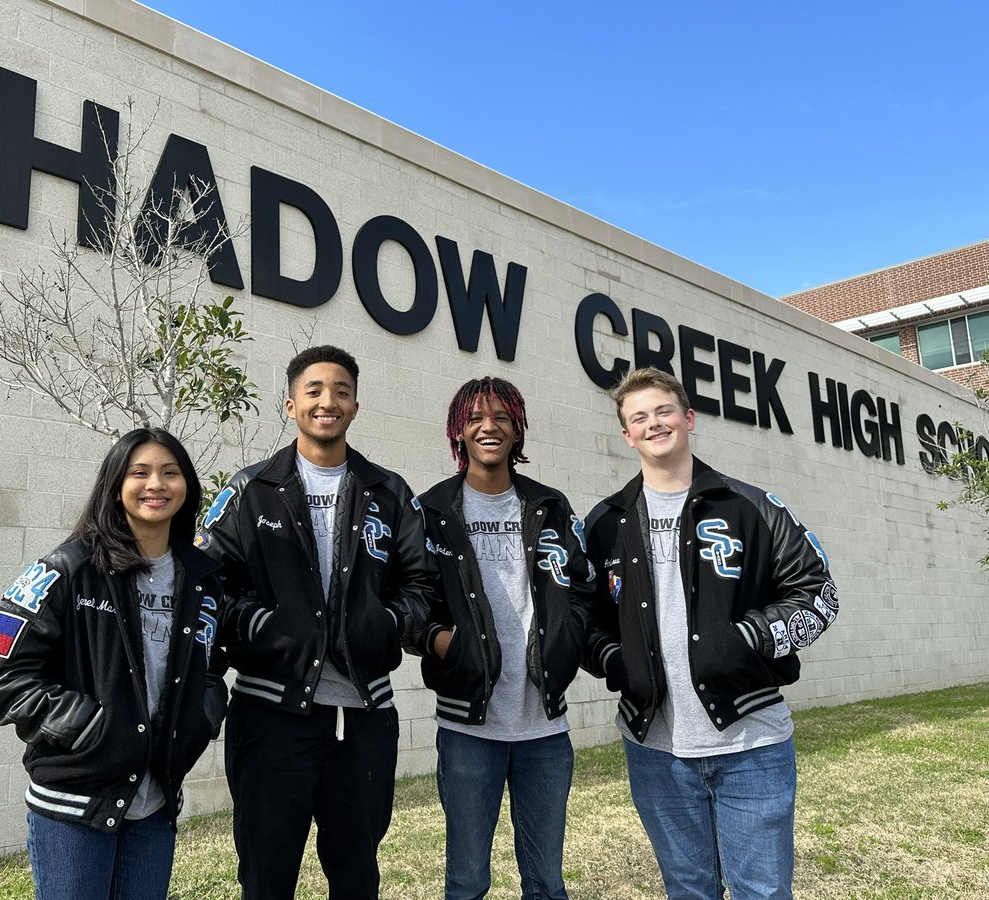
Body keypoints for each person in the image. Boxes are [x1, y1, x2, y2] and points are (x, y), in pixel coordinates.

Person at [580, 368, 839, 900]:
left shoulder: (749, 506)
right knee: (688, 890)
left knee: (761, 891)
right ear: (626, 435)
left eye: (663, 411)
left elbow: (818, 591)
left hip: (751, 741)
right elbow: (580, 615)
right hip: (654, 746)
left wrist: (749, 636)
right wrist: (614, 659)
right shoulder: (606, 521)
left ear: (688, 418)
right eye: (639, 418)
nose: (654, 424)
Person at [197, 344, 433, 900]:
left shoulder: (390, 493)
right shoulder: (249, 489)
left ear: (354, 406)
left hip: (364, 718)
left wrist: (386, 622)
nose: (328, 401)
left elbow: (422, 586)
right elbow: (210, 587)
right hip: (270, 715)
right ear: (290, 404)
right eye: (314, 391)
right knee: (266, 875)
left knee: (356, 876)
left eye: (341, 392)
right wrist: (260, 627)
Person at [0, 428, 227, 900]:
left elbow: (213, 664)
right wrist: (89, 727)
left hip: (154, 806)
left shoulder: (203, 580)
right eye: (141, 472)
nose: (157, 484)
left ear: (187, 486)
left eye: (170, 473)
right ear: (116, 485)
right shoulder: (68, 569)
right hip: (75, 804)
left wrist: (203, 712)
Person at [417, 377, 593, 900]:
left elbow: (583, 588)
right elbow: (408, 598)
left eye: (500, 416)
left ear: (518, 428)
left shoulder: (550, 507)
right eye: (474, 418)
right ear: (458, 432)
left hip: (544, 727)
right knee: (467, 881)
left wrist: (572, 638)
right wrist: (440, 641)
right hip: (470, 728)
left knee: (546, 881)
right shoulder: (432, 511)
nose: (488, 426)